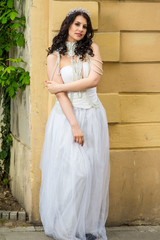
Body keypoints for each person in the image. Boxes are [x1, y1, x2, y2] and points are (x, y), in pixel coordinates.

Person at [39, 8, 110, 240]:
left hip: (94, 115)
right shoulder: (54, 57)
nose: (81, 29)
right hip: (67, 119)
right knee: (75, 174)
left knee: (93, 172)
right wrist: (74, 126)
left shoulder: (92, 49)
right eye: (77, 24)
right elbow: (61, 98)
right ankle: (67, 228)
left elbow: (94, 80)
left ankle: (87, 227)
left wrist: (59, 86)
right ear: (68, 25)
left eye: (85, 26)